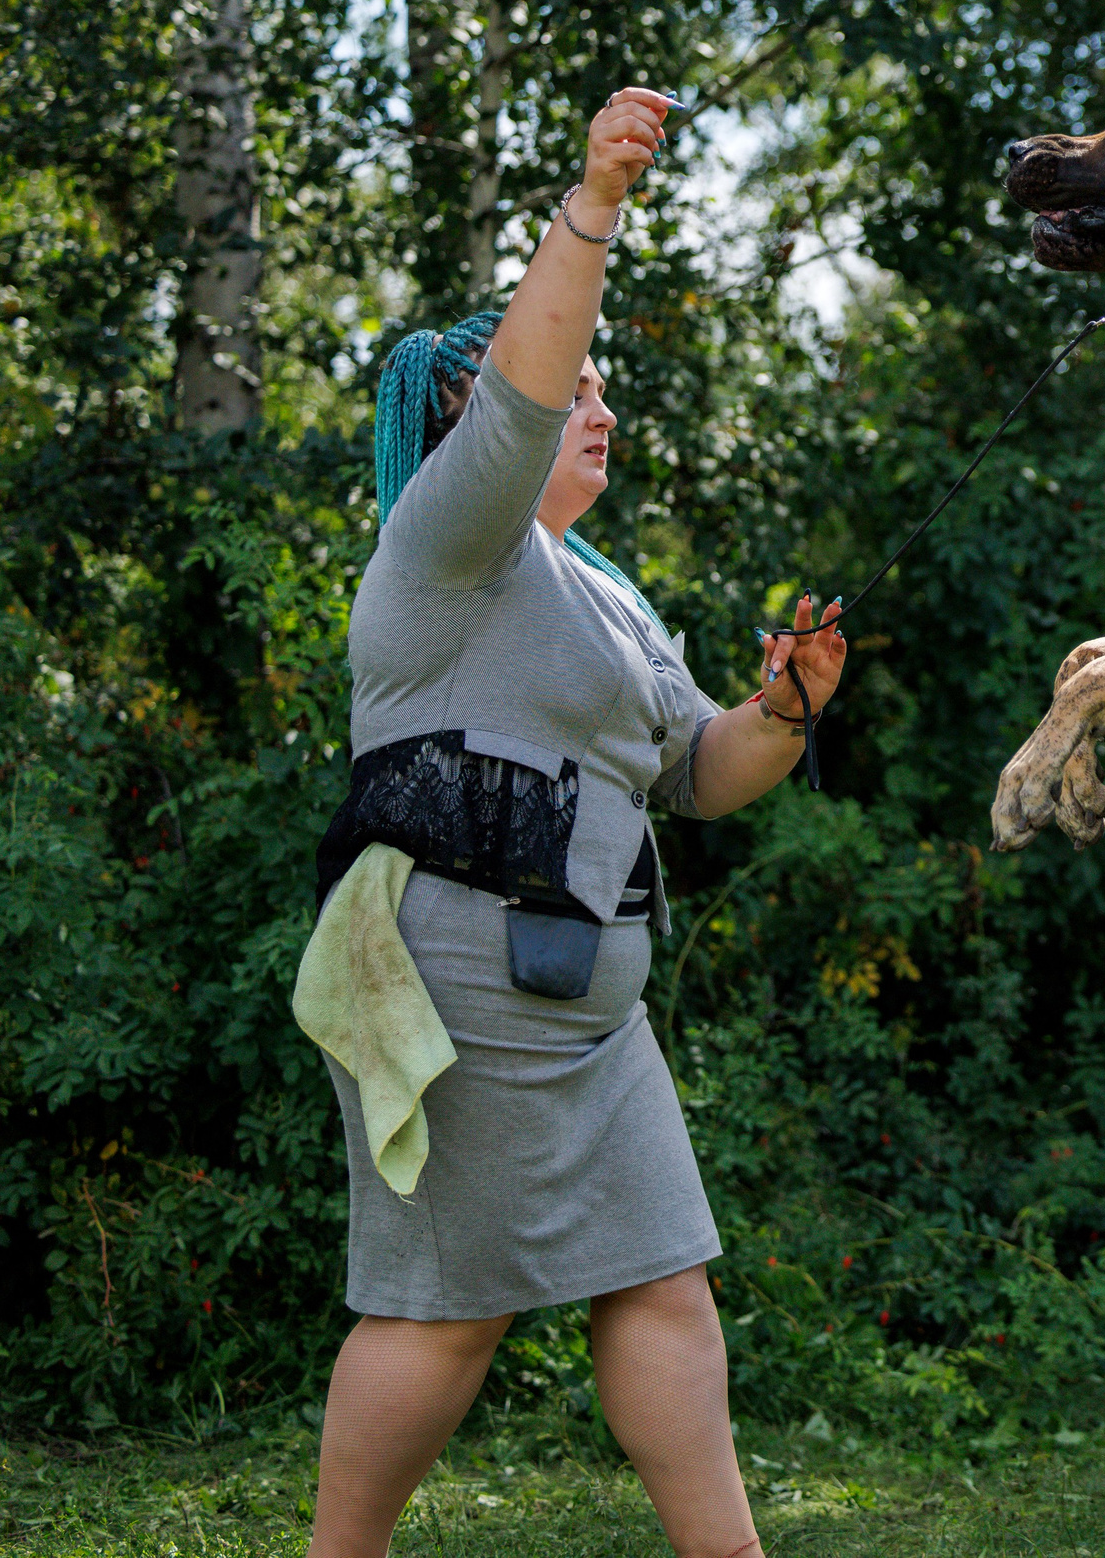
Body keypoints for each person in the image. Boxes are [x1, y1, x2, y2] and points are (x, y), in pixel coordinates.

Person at [304, 85, 844, 1558]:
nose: (598, 406)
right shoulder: (443, 541)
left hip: (594, 1013)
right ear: (473, 421)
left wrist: (785, 710)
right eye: (575, 387)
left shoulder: (601, 589)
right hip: (460, 992)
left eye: (607, 389)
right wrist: (598, 195)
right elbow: (533, 384)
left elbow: (701, 774)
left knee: (664, 1281)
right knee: (448, 1314)